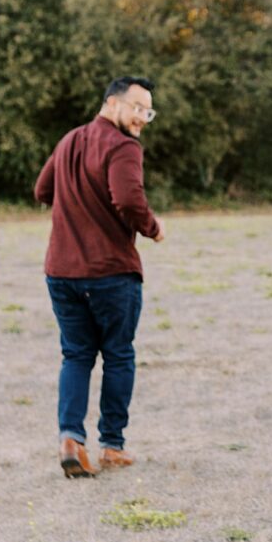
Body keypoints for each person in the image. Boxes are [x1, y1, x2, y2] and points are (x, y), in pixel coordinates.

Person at [34, 75, 165, 478]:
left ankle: (71, 439)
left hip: (61, 270)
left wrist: (77, 207)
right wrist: (152, 227)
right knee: (118, 354)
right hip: (109, 272)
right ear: (112, 103)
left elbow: (43, 190)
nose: (143, 117)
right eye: (137, 107)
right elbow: (127, 198)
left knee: (76, 355)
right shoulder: (124, 147)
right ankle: (112, 445)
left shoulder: (69, 140)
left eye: (149, 111)